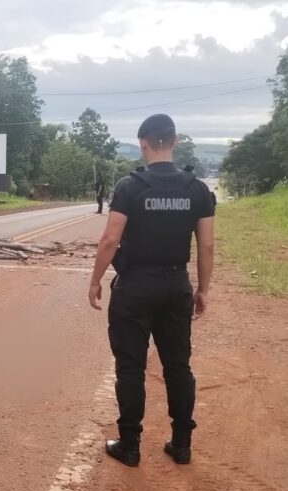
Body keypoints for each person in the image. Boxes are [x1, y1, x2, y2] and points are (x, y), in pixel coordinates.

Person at [88, 114, 215, 467]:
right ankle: (182, 444)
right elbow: (206, 247)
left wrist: (96, 279)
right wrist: (203, 289)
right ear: (173, 141)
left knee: (130, 367)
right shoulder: (197, 189)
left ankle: (129, 446)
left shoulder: (131, 187)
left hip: (134, 287)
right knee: (178, 366)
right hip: (176, 285)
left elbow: (110, 238)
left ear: (143, 143)